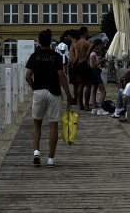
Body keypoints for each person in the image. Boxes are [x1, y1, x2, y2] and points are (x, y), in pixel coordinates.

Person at [25, 28, 73, 167]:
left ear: (39, 42)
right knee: (53, 125)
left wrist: (34, 88)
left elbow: (27, 76)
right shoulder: (56, 56)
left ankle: (36, 152)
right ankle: (51, 159)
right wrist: (69, 95)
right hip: (54, 92)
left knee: (37, 122)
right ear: (50, 42)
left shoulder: (34, 56)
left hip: (39, 91)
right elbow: (62, 76)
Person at [69, 27, 93, 110]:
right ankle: (86, 105)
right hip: (85, 64)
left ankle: (81, 104)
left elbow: (77, 55)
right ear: (85, 32)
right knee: (88, 85)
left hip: (79, 65)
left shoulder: (77, 43)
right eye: (88, 31)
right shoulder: (86, 43)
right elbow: (92, 49)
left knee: (80, 85)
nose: (88, 33)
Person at [89, 40, 107, 114]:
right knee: (103, 91)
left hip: (93, 73)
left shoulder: (93, 54)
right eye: (99, 46)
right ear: (96, 46)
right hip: (95, 72)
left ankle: (94, 108)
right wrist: (101, 60)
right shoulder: (93, 54)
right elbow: (93, 65)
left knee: (94, 91)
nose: (100, 48)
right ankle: (100, 108)